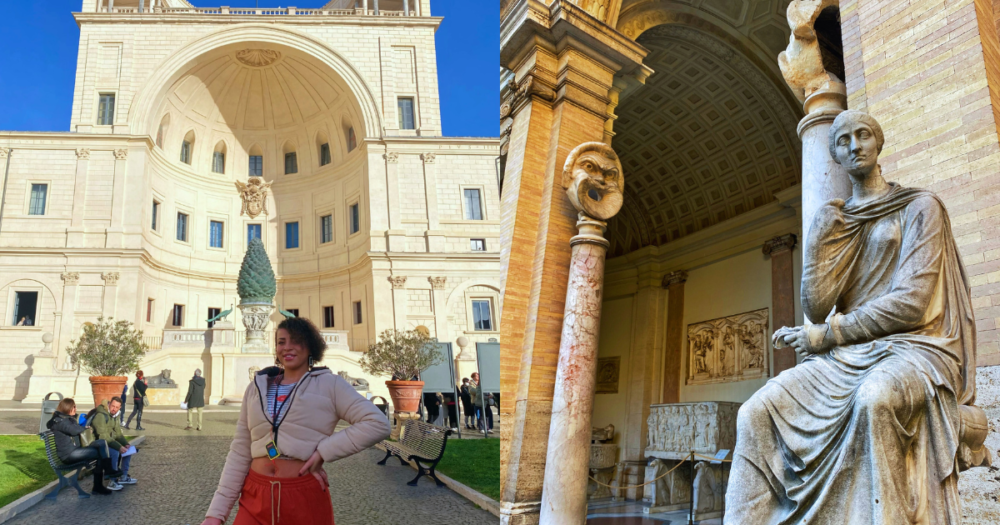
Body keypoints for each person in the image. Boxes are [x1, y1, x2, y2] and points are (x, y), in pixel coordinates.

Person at [727, 111, 979, 523]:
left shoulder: (920, 206)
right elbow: (815, 305)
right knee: (756, 411)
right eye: (843, 141)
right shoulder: (838, 219)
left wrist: (828, 335)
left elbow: (912, 302)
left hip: (914, 347)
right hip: (846, 355)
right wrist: (823, 234)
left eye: (863, 135)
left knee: (874, 398)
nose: (855, 145)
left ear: (878, 144)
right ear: (836, 157)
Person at [200, 317, 390, 525]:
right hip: (255, 494)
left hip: (303, 495)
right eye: (281, 342)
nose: (287, 348)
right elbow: (240, 451)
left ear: (310, 346)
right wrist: (215, 514)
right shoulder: (256, 387)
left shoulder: (330, 385)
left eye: (296, 341)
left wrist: (324, 451)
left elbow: (377, 423)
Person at [47, 398, 124, 495]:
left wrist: (82, 428)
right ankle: (100, 482)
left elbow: (75, 428)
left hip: (75, 450)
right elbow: (73, 430)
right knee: (100, 452)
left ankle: (103, 478)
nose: (75, 409)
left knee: (101, 443)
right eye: (73, 407)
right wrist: (84, 428)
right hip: (68, 455)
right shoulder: (59, 421)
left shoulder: (66, 419)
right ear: (67, 408)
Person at [91, 397, 137, 487]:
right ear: (109, 404)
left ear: (120, 408)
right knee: (115, 452)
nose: (114, 409)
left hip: (106, 442)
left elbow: (118, 433)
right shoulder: (101, 415)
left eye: (117, 407)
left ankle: (123, 476)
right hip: (98, 443)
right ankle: (112, 481)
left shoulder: (115, 415)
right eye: (113, 406)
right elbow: (103, 436)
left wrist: (125, 444)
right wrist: (119, 447)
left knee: (128, 449)